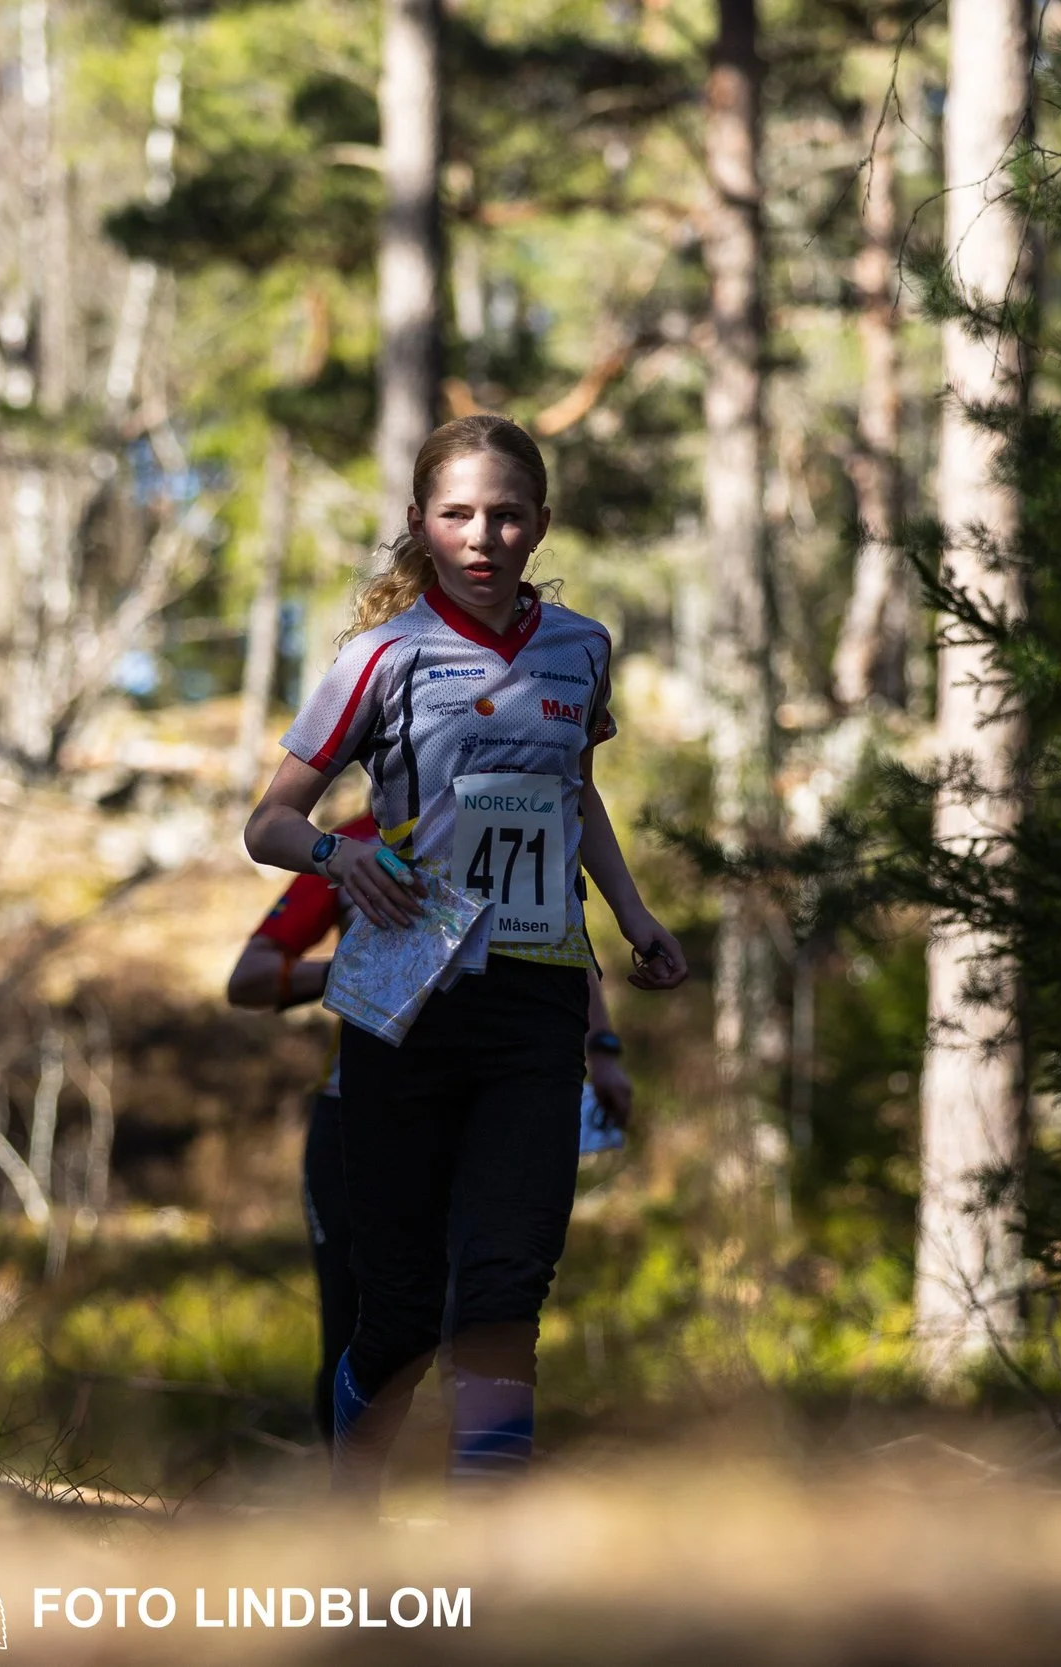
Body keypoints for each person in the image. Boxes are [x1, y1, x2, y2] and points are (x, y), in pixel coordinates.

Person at [241, 413, 689, 1498]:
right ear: (419, 524)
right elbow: (268, 823)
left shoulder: (581, 647)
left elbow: (573, 792)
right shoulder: (381, 656)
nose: (482, 535)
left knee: (502, 1281)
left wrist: (632, 915)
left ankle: (492, 1553)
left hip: (534, 994)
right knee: (394, 1308)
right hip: (406, 995)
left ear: (540, 523)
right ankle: (351, 1505)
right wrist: (339, 863)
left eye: (505, 513)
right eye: (456, 514)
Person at [224, 836, 636, 1449]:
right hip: (356, 1107)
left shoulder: (515, 805)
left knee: (483, 1301)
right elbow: (248, 978)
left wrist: (601, 1048)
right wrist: (353, 964)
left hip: (485, 1104)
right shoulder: (357, 837)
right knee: (361, 1313)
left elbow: (563, 935)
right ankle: (348, 1513)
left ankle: (471, 1503)